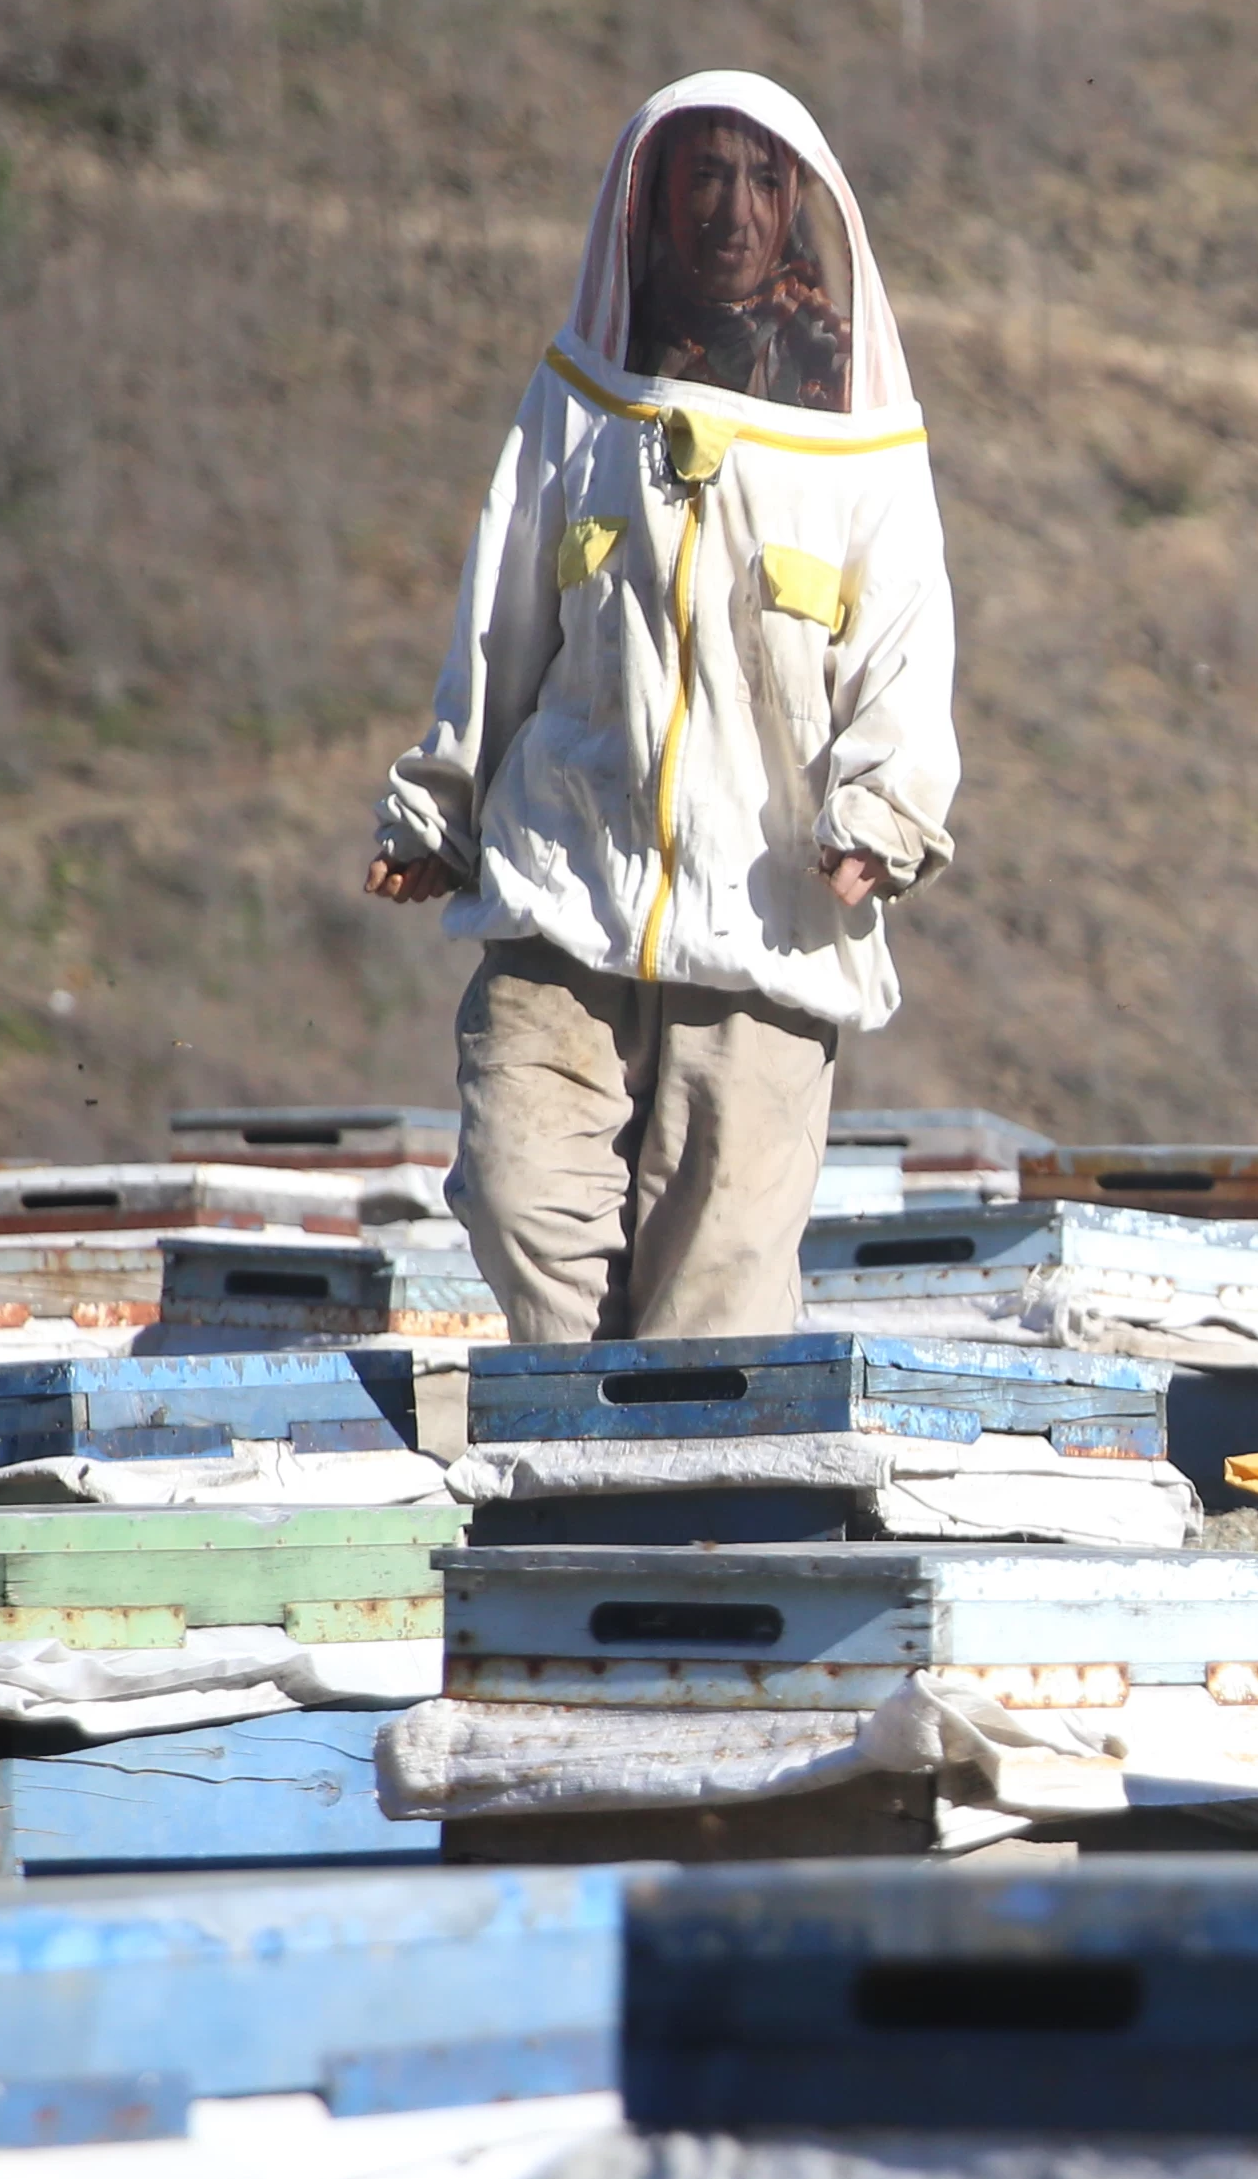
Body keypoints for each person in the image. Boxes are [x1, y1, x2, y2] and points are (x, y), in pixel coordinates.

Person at [370, 71, 960, 1344]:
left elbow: (907, 651)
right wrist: (441, 807)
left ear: (798, 204)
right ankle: (578, 1485)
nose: (732, 213)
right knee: (524, 1203)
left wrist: (884, 814)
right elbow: (501, 615)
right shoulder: (580, 402)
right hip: (562, 892)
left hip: (767, 926)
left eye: (758, 182)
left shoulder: (857, 444)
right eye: (703, 178)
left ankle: (683, 1529)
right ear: (651, 203)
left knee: (714, 1304)